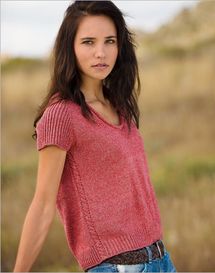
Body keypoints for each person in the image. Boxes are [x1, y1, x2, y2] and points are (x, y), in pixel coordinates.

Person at [13, 1, 177, 272]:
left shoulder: (119, 106)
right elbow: (42, 204)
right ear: (70, 47)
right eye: (88, 42)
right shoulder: (61, 115)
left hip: (161, 259)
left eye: (109, 41)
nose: (101, 53)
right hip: (117, 267)